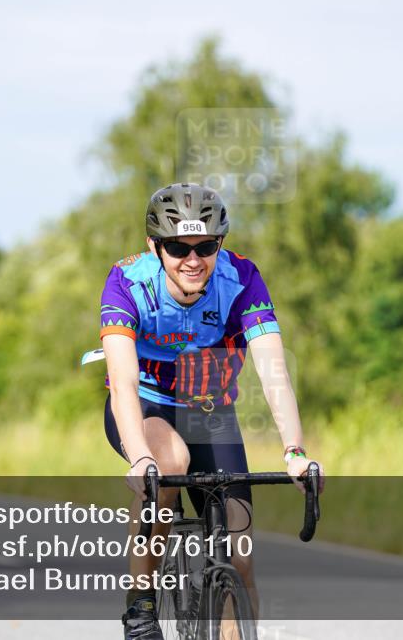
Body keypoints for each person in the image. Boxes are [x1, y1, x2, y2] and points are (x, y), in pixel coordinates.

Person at [99, 182, 325, 639]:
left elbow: (274, 371)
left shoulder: (241, 279)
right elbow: (122, 382)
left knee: (240, 562)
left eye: (205, 246)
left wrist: (295, 450)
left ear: (219, 244)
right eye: (178, 246)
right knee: (170, 462)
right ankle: (141, 605)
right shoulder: (127, 281)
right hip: (146, 405)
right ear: (154, 246)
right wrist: (140, 456)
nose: (192, 258)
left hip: (210, 412)